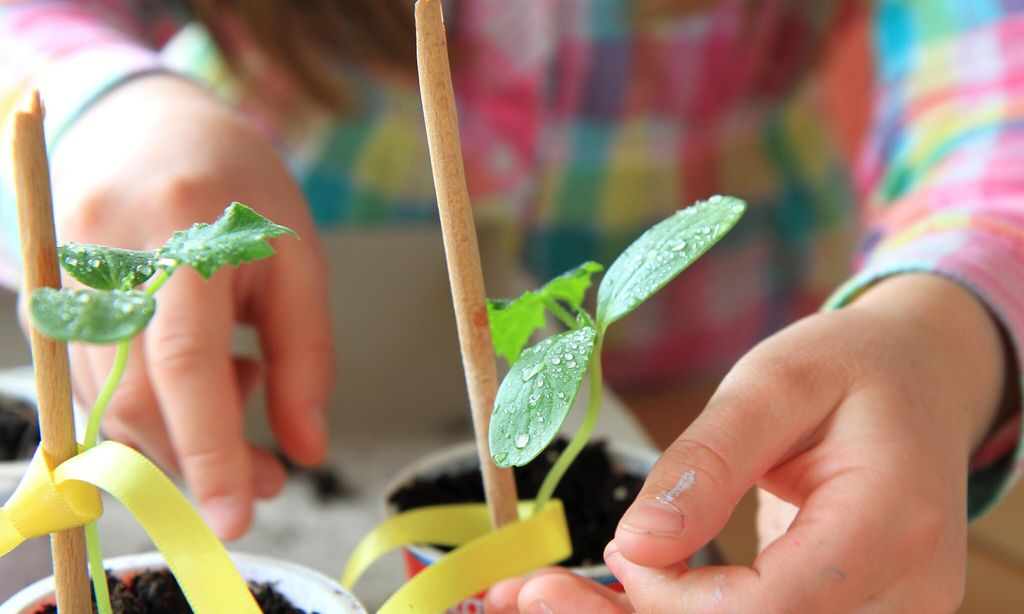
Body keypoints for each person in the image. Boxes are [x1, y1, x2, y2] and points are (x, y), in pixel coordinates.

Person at [1, 1, 1021, 611]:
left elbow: (993, 65)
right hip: (275, 339)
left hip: (728, 383)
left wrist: (940, 324)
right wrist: (107, 106)